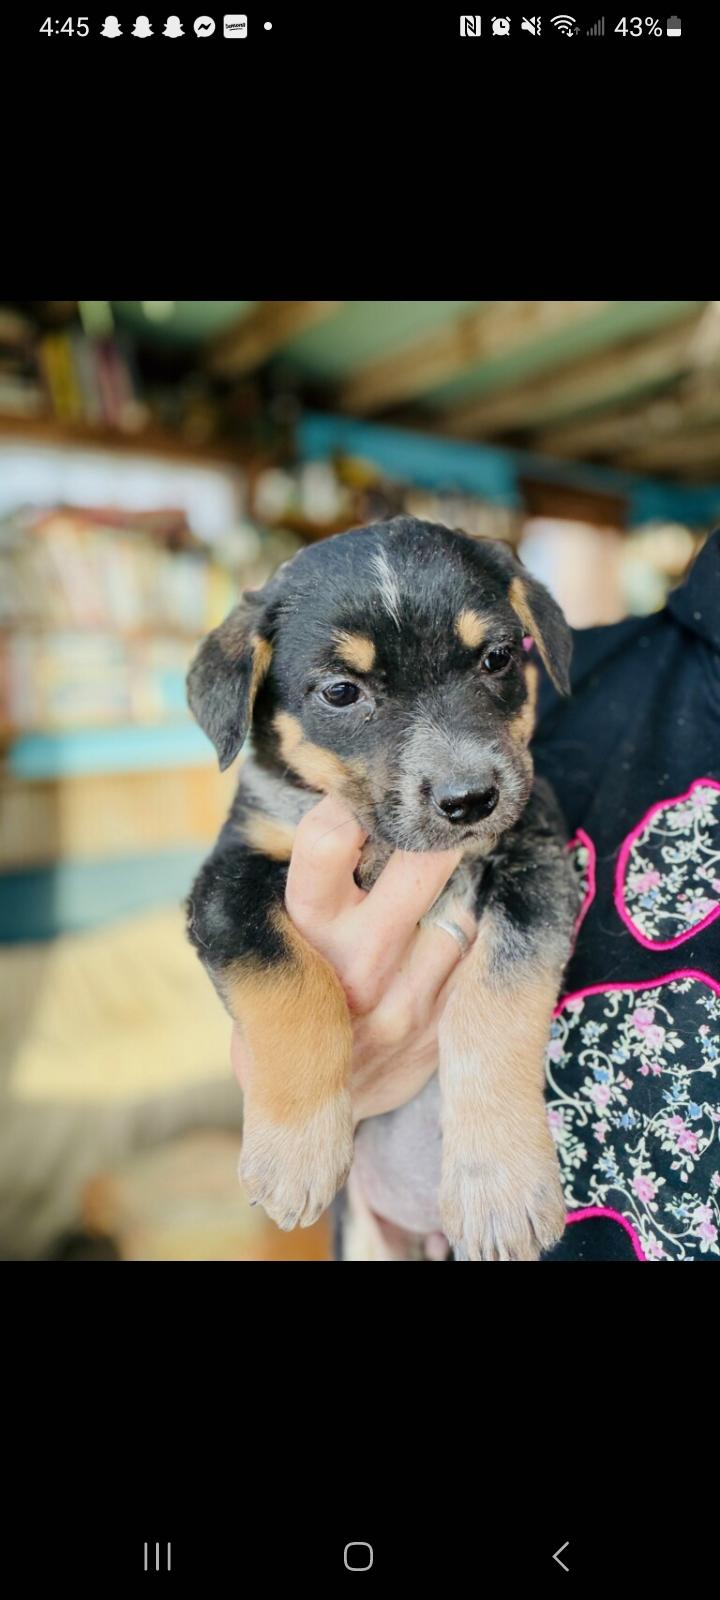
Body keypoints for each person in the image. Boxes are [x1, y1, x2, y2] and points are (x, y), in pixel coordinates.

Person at [232, 529, 720, 1262]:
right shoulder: (614, 677)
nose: (462, 772)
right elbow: (228, 911)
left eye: (494, 660)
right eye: (343, 691)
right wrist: (301, 1061)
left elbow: (532, 895)